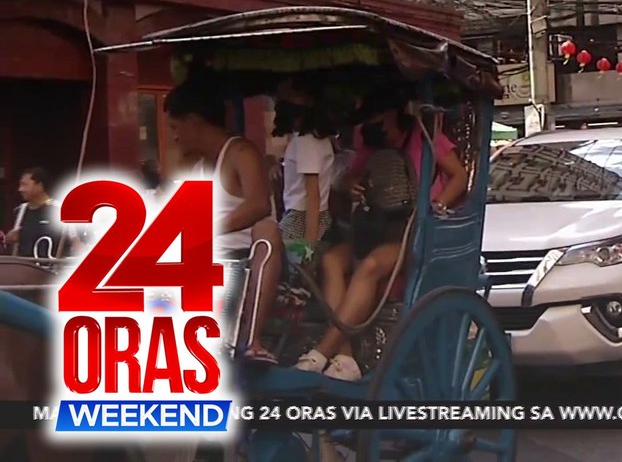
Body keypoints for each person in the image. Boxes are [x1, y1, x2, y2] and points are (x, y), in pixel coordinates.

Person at [295, 89, 468, 380]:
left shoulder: (425, 137)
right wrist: (351, 185)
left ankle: (321, 352)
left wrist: (435, 207)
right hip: (377, 228)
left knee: (371, 265)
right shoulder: (369, 141)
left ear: (391, 114)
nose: (372, 126)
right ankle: (344, 357)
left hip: (416, 232)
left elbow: (459, 176)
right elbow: (349, 177)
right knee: (332, 261)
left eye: (377, 119)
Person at [164, 78, 283, 363]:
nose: (174, 137)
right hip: (203, 264)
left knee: (267, 231)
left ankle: (252, 340)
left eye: (175, 127)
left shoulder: (241, 153)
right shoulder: (195, 167)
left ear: (194, 122)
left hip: (244, 260)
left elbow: (258, 205)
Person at [274, 82, 338, 250]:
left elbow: (313, 194)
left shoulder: (306, 142)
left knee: (293, 263)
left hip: (302, 218)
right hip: (312, 216)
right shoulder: (318, 139)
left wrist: (309, 245)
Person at [4, 168, 60, 257]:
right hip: (24, 263)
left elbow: (74, 241)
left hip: (51, 263)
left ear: (39, 185)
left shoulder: (59, 209)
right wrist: (9, 239)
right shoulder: (19, 211)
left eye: (25, 185)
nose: (20, 189)